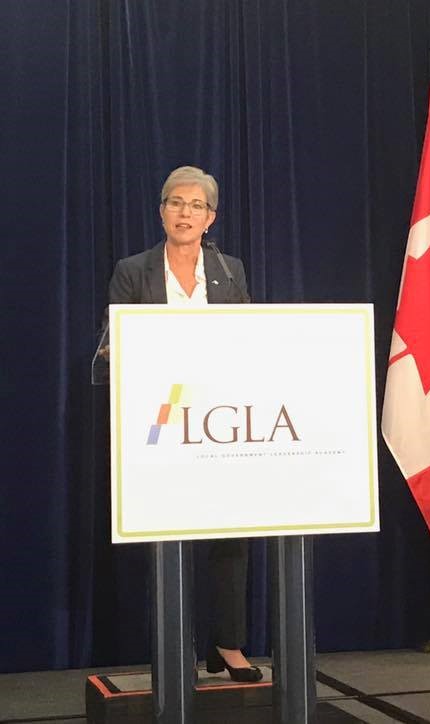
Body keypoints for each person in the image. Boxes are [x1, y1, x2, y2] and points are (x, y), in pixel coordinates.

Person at [106, 165, 261, 682]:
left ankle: (228, 644)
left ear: (210, 218)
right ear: (162, 212)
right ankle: (176, 649)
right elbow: (113, 343)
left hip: (220, 418)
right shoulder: (134, 270)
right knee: (168, 535)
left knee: (230, 530)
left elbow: (247, 341)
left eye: (196, 206)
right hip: (160, 419)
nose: (185, 213)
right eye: (176, 203)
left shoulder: (230, 271)